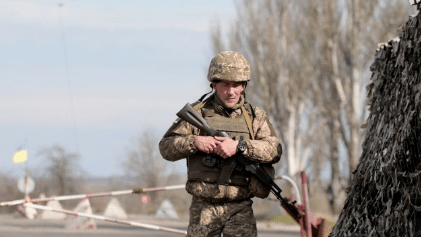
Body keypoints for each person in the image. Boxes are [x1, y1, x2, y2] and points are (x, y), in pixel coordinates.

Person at [159, 51, 282, 237]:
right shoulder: (197, 114)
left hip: (240, 207)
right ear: (214, 84)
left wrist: (241, 147)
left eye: (236, 85)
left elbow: (274, 150)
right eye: (225, 85)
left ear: (243, 86)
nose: (231, 91)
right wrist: (195, 142)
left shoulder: (255, 117)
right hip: (203, 207)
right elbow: (166, 148)